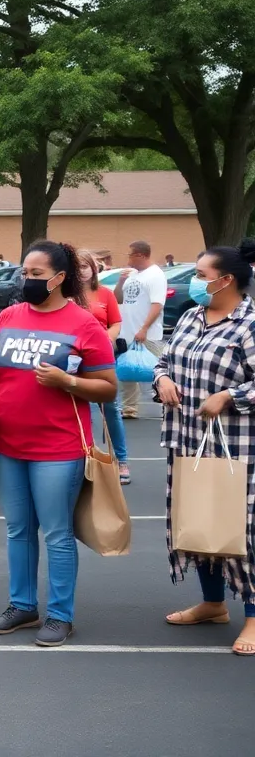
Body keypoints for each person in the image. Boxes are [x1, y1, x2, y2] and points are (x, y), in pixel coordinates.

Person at [0, 240, 117, 647]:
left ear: (60, 278)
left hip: (59, 448)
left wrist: (68, 382)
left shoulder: (84, 324)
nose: (28, 280)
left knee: (57, 533)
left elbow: (108, 389)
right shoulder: (9, 316)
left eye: (37, 274)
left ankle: (60, 615)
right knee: (18, 530)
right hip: (10, 444)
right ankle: (22, 605)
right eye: (25, 273)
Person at [153, 241, 255, 656]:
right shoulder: (192, 317)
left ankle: (252, 616)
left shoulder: (249, 324)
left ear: (226, 280)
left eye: (201, 275)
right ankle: (213, 604)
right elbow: (165, 361)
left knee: (243, 530)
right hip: (187, 441)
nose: (195, 282)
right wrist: (161, 381)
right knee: (196, 522)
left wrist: (230, 395)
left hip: (237, 448)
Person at [81, 251, 131, 483]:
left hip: (103, 357)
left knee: (111, 410)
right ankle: (93, 459)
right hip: (76, 360)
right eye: (77, 266)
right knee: (87, 411)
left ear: (93, 268)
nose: (82, 270)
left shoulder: (105, 294)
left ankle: (121, 461)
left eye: (86, 265)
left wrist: (106, 340)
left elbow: (116, 322)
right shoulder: (65, 295)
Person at [115, 240, 168, 419]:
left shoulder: (155, 275)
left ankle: (167, 402)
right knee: (127, 369)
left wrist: (144, 328)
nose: (127, 258)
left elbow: (157, 304)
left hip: (148, 333)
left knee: (158, 369)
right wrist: (121, 281)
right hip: (127, 331)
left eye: (129, 254)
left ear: (140, 255)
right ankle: (129, 408)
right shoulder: (133, 275)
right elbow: (119, 299)